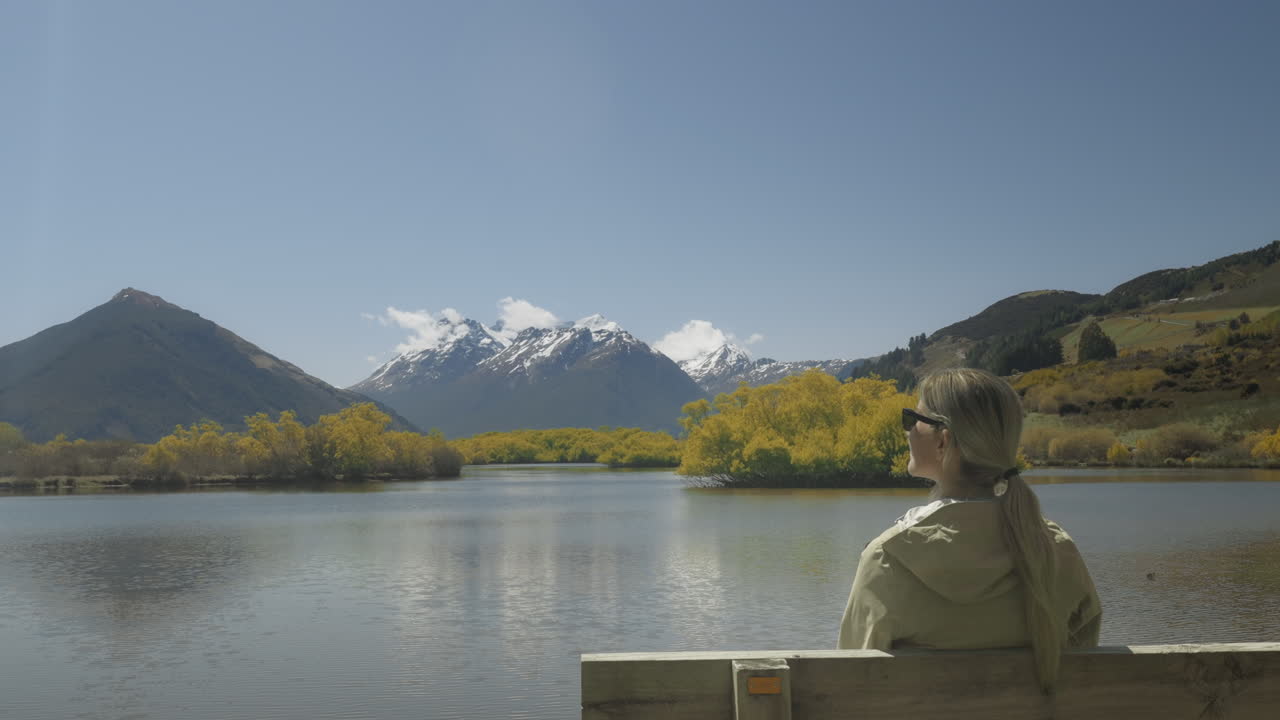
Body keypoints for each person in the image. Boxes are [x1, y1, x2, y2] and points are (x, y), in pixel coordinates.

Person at [837, 367, 1101, 694]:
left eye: (912, 419)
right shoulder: (1057, 551)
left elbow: (851, 684)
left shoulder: (888, 558)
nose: (907, 431)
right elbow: (1086, 672)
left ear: (943, 440)